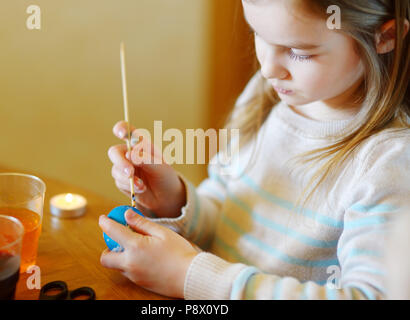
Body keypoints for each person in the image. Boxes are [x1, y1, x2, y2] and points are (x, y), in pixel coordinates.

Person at [100, 0, 409, 299]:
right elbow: (227, 214)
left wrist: (188, 276)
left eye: (299, 51)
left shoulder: (390, 164)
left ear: (385, 37)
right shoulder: (265, 96)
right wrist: (172, 199)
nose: (268, 68)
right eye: (257, 33)